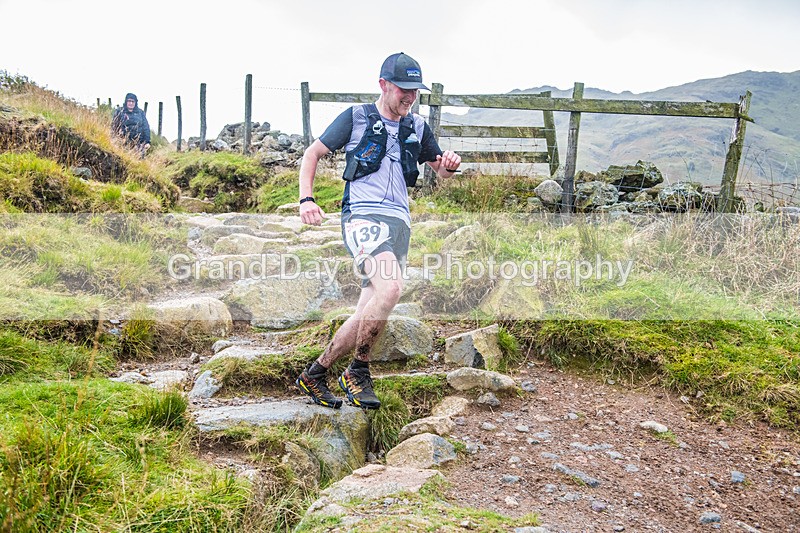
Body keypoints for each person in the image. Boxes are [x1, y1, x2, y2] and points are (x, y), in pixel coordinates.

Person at [295, 52, 461, 410]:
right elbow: (312, 154)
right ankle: (357, 370)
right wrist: (306, 199)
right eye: (403, 89)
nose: (410, 97)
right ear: (383, 84)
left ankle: (315, 373)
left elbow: (441, 171)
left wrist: (449, 164)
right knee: (392, 288)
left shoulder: (417, 127)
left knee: (368, 309)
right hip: (363, 216)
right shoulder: (356, 117)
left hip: (400, 222)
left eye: (415, 91)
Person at [111, 93, 151, 157]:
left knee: (138, 160)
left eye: (133, 101)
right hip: (123, 143)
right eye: (129, 101)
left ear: (135, 103)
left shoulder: (140, 113)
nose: (131, 103)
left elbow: (146, 127)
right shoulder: (120, 111)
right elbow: (114, 126)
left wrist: (147, 142)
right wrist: (114, 139)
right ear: (126, 101)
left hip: (139, 144)